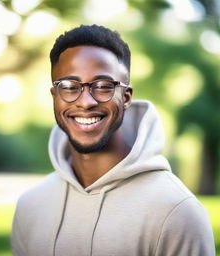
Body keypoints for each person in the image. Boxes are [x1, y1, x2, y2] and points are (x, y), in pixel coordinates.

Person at [11, 24, 215, 256]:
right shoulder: (31, 206)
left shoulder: (177, 212)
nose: (86, 101)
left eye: (103, 86)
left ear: (126, 97)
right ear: (55, 96)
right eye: (69, 86)